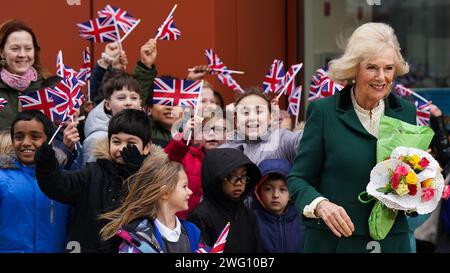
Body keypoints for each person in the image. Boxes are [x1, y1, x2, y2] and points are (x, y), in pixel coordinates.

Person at [287, 22, 416, 253]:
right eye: (372, 68)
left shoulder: (406, 112)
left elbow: (409, 185)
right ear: (354, 68)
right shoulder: (323, 112)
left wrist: (421, 179)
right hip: (335, 241)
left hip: (391, 242)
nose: (381, 77)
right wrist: (320, 205)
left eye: (388, 68)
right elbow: (298, 179)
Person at [34, 109, 165, 253]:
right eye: (116, 141)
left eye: (131, 142)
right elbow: (59, 186)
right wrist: (46, 167)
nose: (122, 148)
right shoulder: (92, 172)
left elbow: (154, 209)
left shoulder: (154, 178)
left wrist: (136, 173)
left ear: (146, 147)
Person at [100, 156, 202, 253]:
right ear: (165, 193)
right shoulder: (138, 235)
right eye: (184, 186)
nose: (190, 192)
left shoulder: (192, 231)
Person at [0, 110, 68, 252]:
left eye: (35, 137)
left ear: (49, 140)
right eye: (19, 137)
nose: (25, 143)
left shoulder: (64, 178)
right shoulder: (2, 178)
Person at [187, 148, 263, 252]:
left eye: (244, 176)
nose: (239, 183)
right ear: (216, 179)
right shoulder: (200, 217)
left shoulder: (248, 215)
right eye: (232, 176)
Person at [0, 19, 60, 130]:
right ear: (2, 52)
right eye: (15, 49)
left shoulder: (48, 88)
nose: (22, 54)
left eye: (28, 49)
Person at [165, 114, 227, 219]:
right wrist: (184, 137)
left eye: (219, 129)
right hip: (183, 222)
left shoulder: (234, 160)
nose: (212, 133)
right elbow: (167, 159)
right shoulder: (185, 155)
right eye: (206, 129)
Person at [220, 88, 302, 165]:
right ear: (236, 121)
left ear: (270, 118)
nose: (252, 118)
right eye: (245, 112)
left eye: (259, 111)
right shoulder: (223, 151)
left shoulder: (282, 139)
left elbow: (305, 141)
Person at [81, 69, 143, 164]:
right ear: (108, 104)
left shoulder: (143, 131)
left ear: (140, 104)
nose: (128, 103)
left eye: (134, 98)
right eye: (121, 98)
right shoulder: (97, 139)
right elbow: (90, 177)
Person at [246, 158, 304, 253]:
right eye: (268, 189)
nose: (275, 195)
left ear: (291, 193)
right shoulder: (250, 221)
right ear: (258, 192)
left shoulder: (302, 221)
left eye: (282, 189)